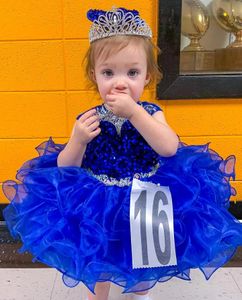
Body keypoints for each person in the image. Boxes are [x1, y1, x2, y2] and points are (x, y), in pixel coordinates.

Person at [2, 7, 242, 300]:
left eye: (132, 72)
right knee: (98, 250)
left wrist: (135, 114)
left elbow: (168, 147)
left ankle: (139, 293)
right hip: (97, 200)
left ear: (147, 76)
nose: (120, 82)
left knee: (141, 254)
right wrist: (77, 140)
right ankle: (97, 293)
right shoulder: (89, 118)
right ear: (94, 75)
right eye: (108, 72)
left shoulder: (151, 112)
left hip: (146, 196)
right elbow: (65, 168)